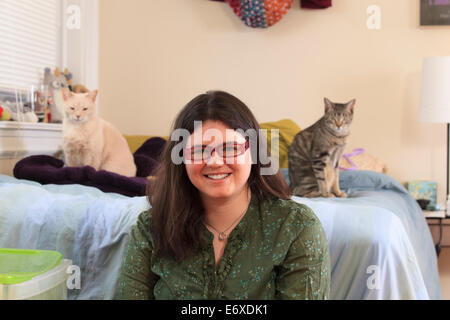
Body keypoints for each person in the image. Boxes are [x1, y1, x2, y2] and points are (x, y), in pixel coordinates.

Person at [116, 90, 330, 300]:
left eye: (230, 148)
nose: (215, 161)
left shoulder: (297, 227)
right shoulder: (150, 228)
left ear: (253, 152)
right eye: (199, 150)